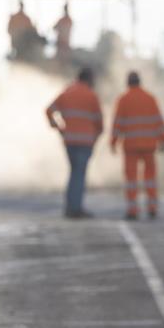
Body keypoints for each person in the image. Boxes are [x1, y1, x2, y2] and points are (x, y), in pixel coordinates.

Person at [45, 67, 103, 218]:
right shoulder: (91, 96)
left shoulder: (67, 93)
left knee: (74, 173)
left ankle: (71, 206)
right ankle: (75, 209)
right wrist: (96, 136)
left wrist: (58, 127)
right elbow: (99, 123)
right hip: (85, 143)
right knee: (79, 174)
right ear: (89, 79)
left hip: (69, 141)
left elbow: (49, 110)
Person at [111, 71, 164, 220]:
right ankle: (152, 208)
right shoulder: (150, 99)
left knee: (131, 179)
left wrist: (113, 142)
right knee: (150, 178)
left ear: (128, 83)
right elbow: (159, 122)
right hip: (149, 145)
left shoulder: (123, 99)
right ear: (139, 82)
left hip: (130, 146)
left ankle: (132, 210)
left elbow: (118, 124)